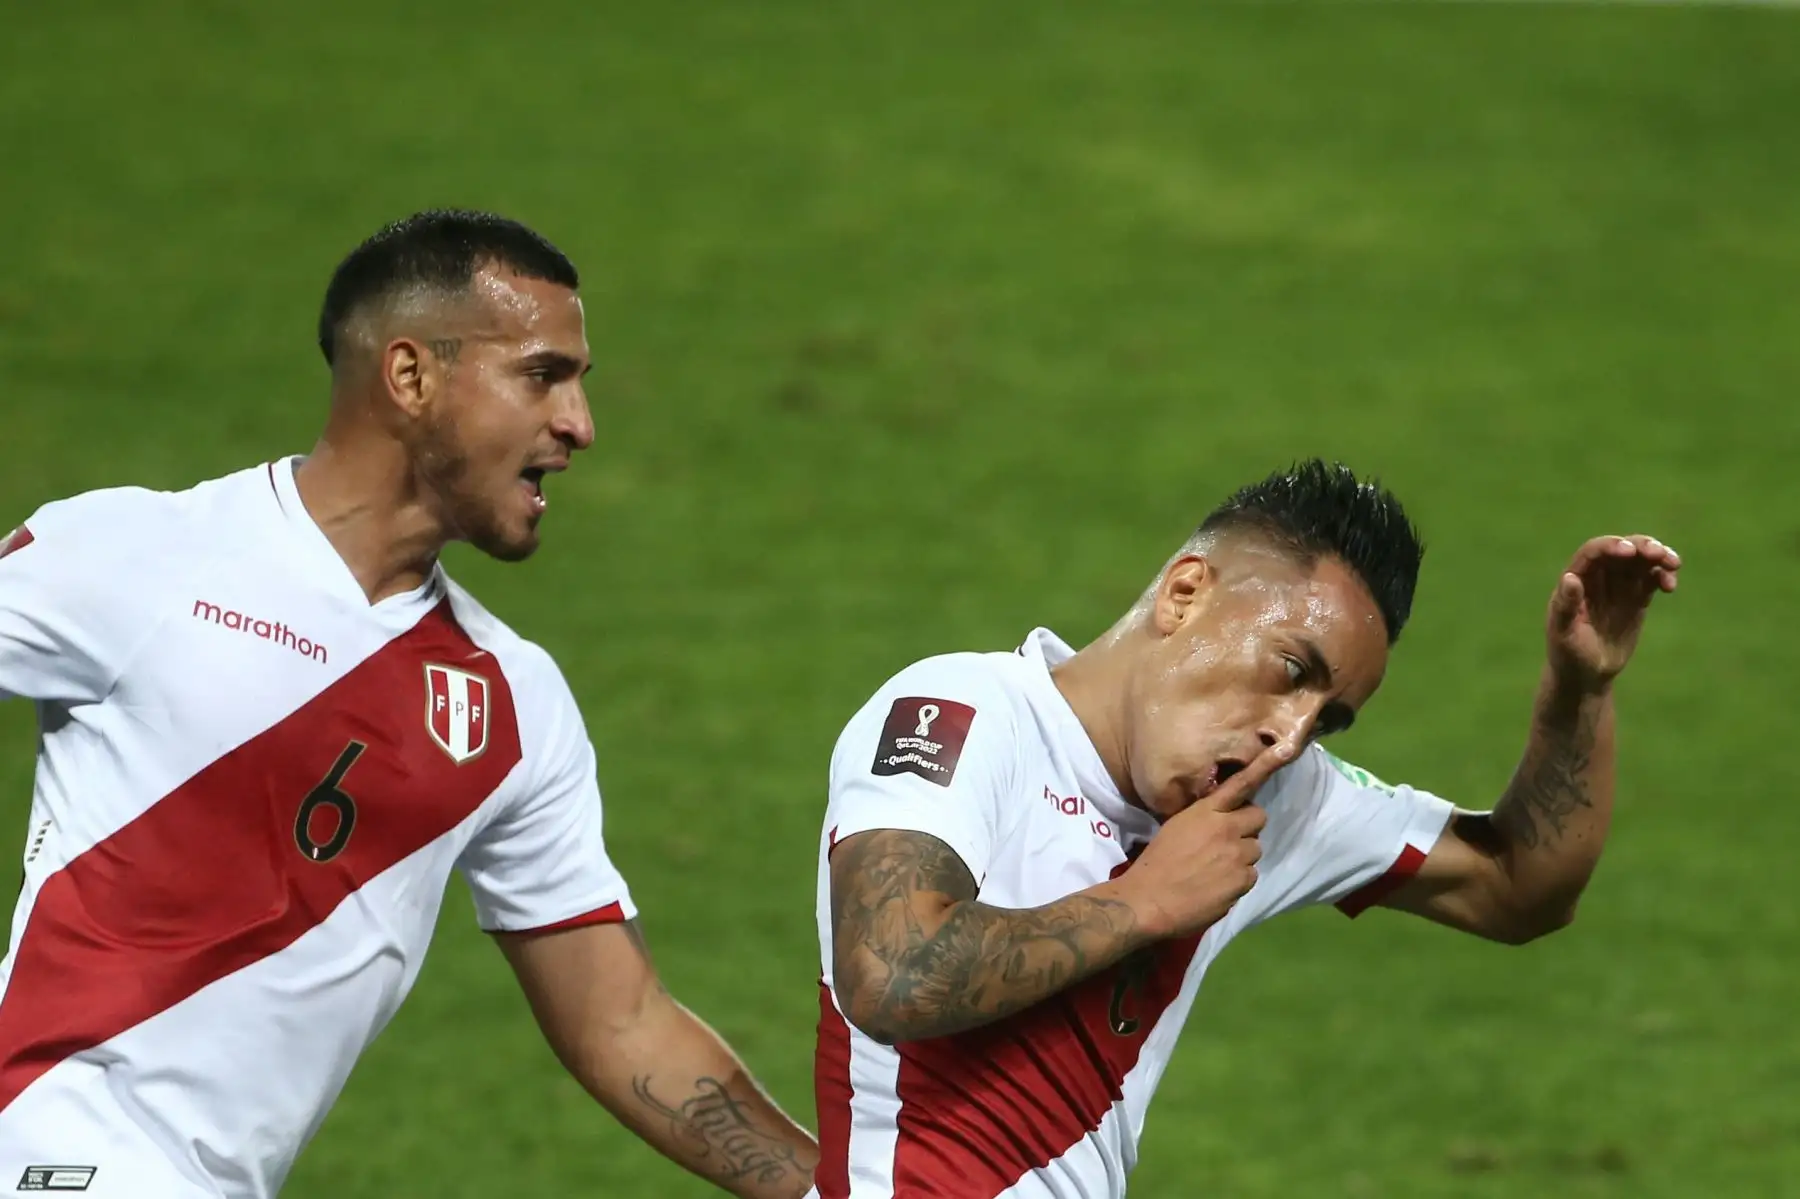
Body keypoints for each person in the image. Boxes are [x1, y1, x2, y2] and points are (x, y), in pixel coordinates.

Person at [0, 210, 817, 1199]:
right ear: (409, 375)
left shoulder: (511, 702)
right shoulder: (136, 556)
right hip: (51, 1148)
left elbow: (622, 1021)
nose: (580, 424)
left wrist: (839, 1191)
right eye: (542, 373)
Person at [809, 459, 1680, 1198]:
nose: (1290, 735)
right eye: (1291, 669)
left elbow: (1522, 884)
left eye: (1327, 718)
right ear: (1186, 593)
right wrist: (1145, 901)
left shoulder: (1271, 796)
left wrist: (1581, 690)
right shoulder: (966, 714)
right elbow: (889, 973)